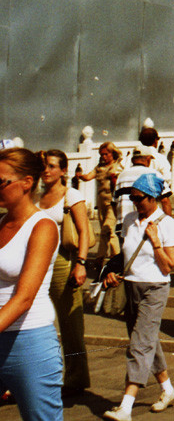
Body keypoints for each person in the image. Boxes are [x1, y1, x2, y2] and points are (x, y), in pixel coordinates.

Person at [101, 173, 174, 421]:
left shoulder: (167, 224)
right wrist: (112, 272)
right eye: (133, 198)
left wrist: (156, 241)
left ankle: (126, 405)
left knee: (139, 344)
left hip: (155, 288)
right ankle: (167, 389)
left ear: (153, 197)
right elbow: (125, 255)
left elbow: (168, 267)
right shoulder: (129, 219)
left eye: (140, 198)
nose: (136, 203)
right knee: (148, 340)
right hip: (131, 286)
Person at [0, 148, 62, 421]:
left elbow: (24, 297)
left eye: (1, 182)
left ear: (26, 182)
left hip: (28, 343)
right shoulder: (1, 223)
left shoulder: (43, 226)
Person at [36, 149, 90, 396]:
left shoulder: (72, 195)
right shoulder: (36, 196)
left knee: (69, 323)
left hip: (62, 261)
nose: (47, 170)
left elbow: (84, 231)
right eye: (45, 166)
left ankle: (76, 379)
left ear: (63, 171)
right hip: (36, 261)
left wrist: (81, 263)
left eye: (53, 166)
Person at [77, 142, 123, 268]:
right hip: (101, 201)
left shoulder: (118, 166)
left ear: (112, 153)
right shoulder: (99, 167)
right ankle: (113, 256)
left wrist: (114, 180)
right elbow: (88, 177)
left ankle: (102, 257)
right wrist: (80, 176)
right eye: (101, 154)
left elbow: (120, 182)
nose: (103, 157)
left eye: (106, 154)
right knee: (107, 230)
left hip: (112, 202)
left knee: (107, 229)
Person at [137, 128, 174, 216]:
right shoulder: (160, 158)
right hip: (154, 201)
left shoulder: (132, 158)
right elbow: (166, 179)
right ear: (155, 141)